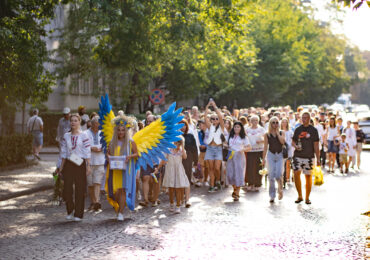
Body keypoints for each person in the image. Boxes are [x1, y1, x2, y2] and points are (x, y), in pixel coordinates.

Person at [60, 114, 91, 221]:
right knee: (67, 189)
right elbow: (63, 152)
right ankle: (70, 209)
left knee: (80, 189)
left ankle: (78, 213)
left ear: (79, 122)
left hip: (80, 163)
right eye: (71, 121)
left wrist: (88, 166)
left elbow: (87, 152)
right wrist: (61, 167)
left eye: (75, 121)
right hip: (69, 163)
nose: (73, 123)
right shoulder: (66, 136)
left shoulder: (84, 136)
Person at [106, 115, 138, 221]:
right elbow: (108, 153)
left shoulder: (130, 142)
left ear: (126, 131)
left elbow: (137, 154)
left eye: (123, 130)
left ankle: (120, 212)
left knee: (123, 190)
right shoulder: (112, 142)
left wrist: (130, 156)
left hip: (126, 170)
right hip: (115, 171)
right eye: (119, 130)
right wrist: (108, 157)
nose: (121, 132)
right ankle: (119, 208)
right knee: (116, 191)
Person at [292, 112, 320, 205]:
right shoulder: (297, 129)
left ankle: (307, 197)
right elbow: (293, 141)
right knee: (296, 173)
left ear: (309, 118)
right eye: (302, 118)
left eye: (306, 118)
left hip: (309, 156)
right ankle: (300, 196)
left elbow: (316, 145)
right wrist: (295, 146)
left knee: (308, 177)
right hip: (298, 155)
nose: (304, 119)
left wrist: (318, 158)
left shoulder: (314, 130)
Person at [159, 136, 190, 214]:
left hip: (179, 170)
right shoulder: (169, 150)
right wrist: (157, 169)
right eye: (175, 143)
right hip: (170, 170)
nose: (176, 144)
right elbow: (163, 160)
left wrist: (182, 146)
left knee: (179, 188)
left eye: (178, 143)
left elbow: (185, 157)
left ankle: (178, 205)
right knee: (171, 188)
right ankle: (172, 203)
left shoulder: (181, 151)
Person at [226, 122, 251, 201]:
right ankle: (234, 189)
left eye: (238, 127)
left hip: (239, 155)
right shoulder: (230, 136)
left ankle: (237, 192)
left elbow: (249, 147)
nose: (236, 128)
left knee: (238, 173)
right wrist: (226, 145)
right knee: (230, 173)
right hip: (230, 154)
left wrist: (243, 149)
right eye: (235, 127)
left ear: (241, 128)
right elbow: (225, 143)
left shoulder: (244, 137)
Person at [262, 117, 285, 203]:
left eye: (276, 122)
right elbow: (265, 147)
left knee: (279, 175)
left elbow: (283, 142)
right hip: (270, 155)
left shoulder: (282, 132)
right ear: (270, 124)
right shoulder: (267, 134)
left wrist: (278, 133)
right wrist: (263, 159)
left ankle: (280, 190)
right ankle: (272, 195)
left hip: (279, 155)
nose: (275, 124)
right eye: (273, 123)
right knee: (271, 176)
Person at [204, 100, 225, 192]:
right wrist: (207, 107)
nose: (215, 120)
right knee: (211, 168)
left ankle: (218, 181)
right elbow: (205, 118)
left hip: (218, 148)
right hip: (210, 149)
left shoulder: (221, 127)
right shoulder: (210, 127)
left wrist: (214, 106)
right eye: (213, 119)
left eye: (216, 119)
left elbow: (220, 116)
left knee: (217, 168)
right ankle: (212, 185)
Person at [86, 116, 105, 212]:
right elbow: (84, 146)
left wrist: (102, 148)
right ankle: (93, 202)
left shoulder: (103, 133)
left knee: (97, 182)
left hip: (100, 161)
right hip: (89, 162)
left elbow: (106, 144)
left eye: (99, 124)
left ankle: (97, 202)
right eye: (96, 124)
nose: (98, 126)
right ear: (92, 124)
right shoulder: (85, 133)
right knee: (90, 184)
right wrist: (91, 148)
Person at [245, 115, 265, 191]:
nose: (255, 122)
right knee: (250, 167)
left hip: (259, 150)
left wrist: (261, 141)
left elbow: (266, 139)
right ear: (250, 121)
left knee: (258, 167)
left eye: (256, 120)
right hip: (250, 150)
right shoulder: (247, 129)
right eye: (253, 120)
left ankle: (257, 183)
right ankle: (250, 183)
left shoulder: (261, 129)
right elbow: (244, 139)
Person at [181, 120, 198, 208]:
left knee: (187, 177)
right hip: (178, 159)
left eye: (184, 125)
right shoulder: (176, 136)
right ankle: (181, 196)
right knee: (179, 178)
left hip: (188, 159)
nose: (183, 127)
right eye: (180, 125)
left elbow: (195, 149)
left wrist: (196, 162)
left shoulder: (190, 136)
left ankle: (187, 198)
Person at [281, 118, 293, 183]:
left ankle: (287, 177)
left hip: (289, 149)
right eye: (283, 122)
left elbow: (292, 140)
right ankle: (282, 178)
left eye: (285, 122)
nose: (284, 123)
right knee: (282, 164)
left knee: (288, 164)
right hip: (281, 149)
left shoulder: (290, 131)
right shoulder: (279, 131)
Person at [198, 120, 209, 186]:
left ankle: (206, 180)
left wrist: (206, 146)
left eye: (200, 125)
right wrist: (202, 145)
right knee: (200, 166)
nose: (199, 126)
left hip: (208, 151)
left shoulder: (209, 131)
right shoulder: (199, 132)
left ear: (204, 124)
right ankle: (200, 180)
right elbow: (199, 140)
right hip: (201, 151)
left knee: (207, 167)